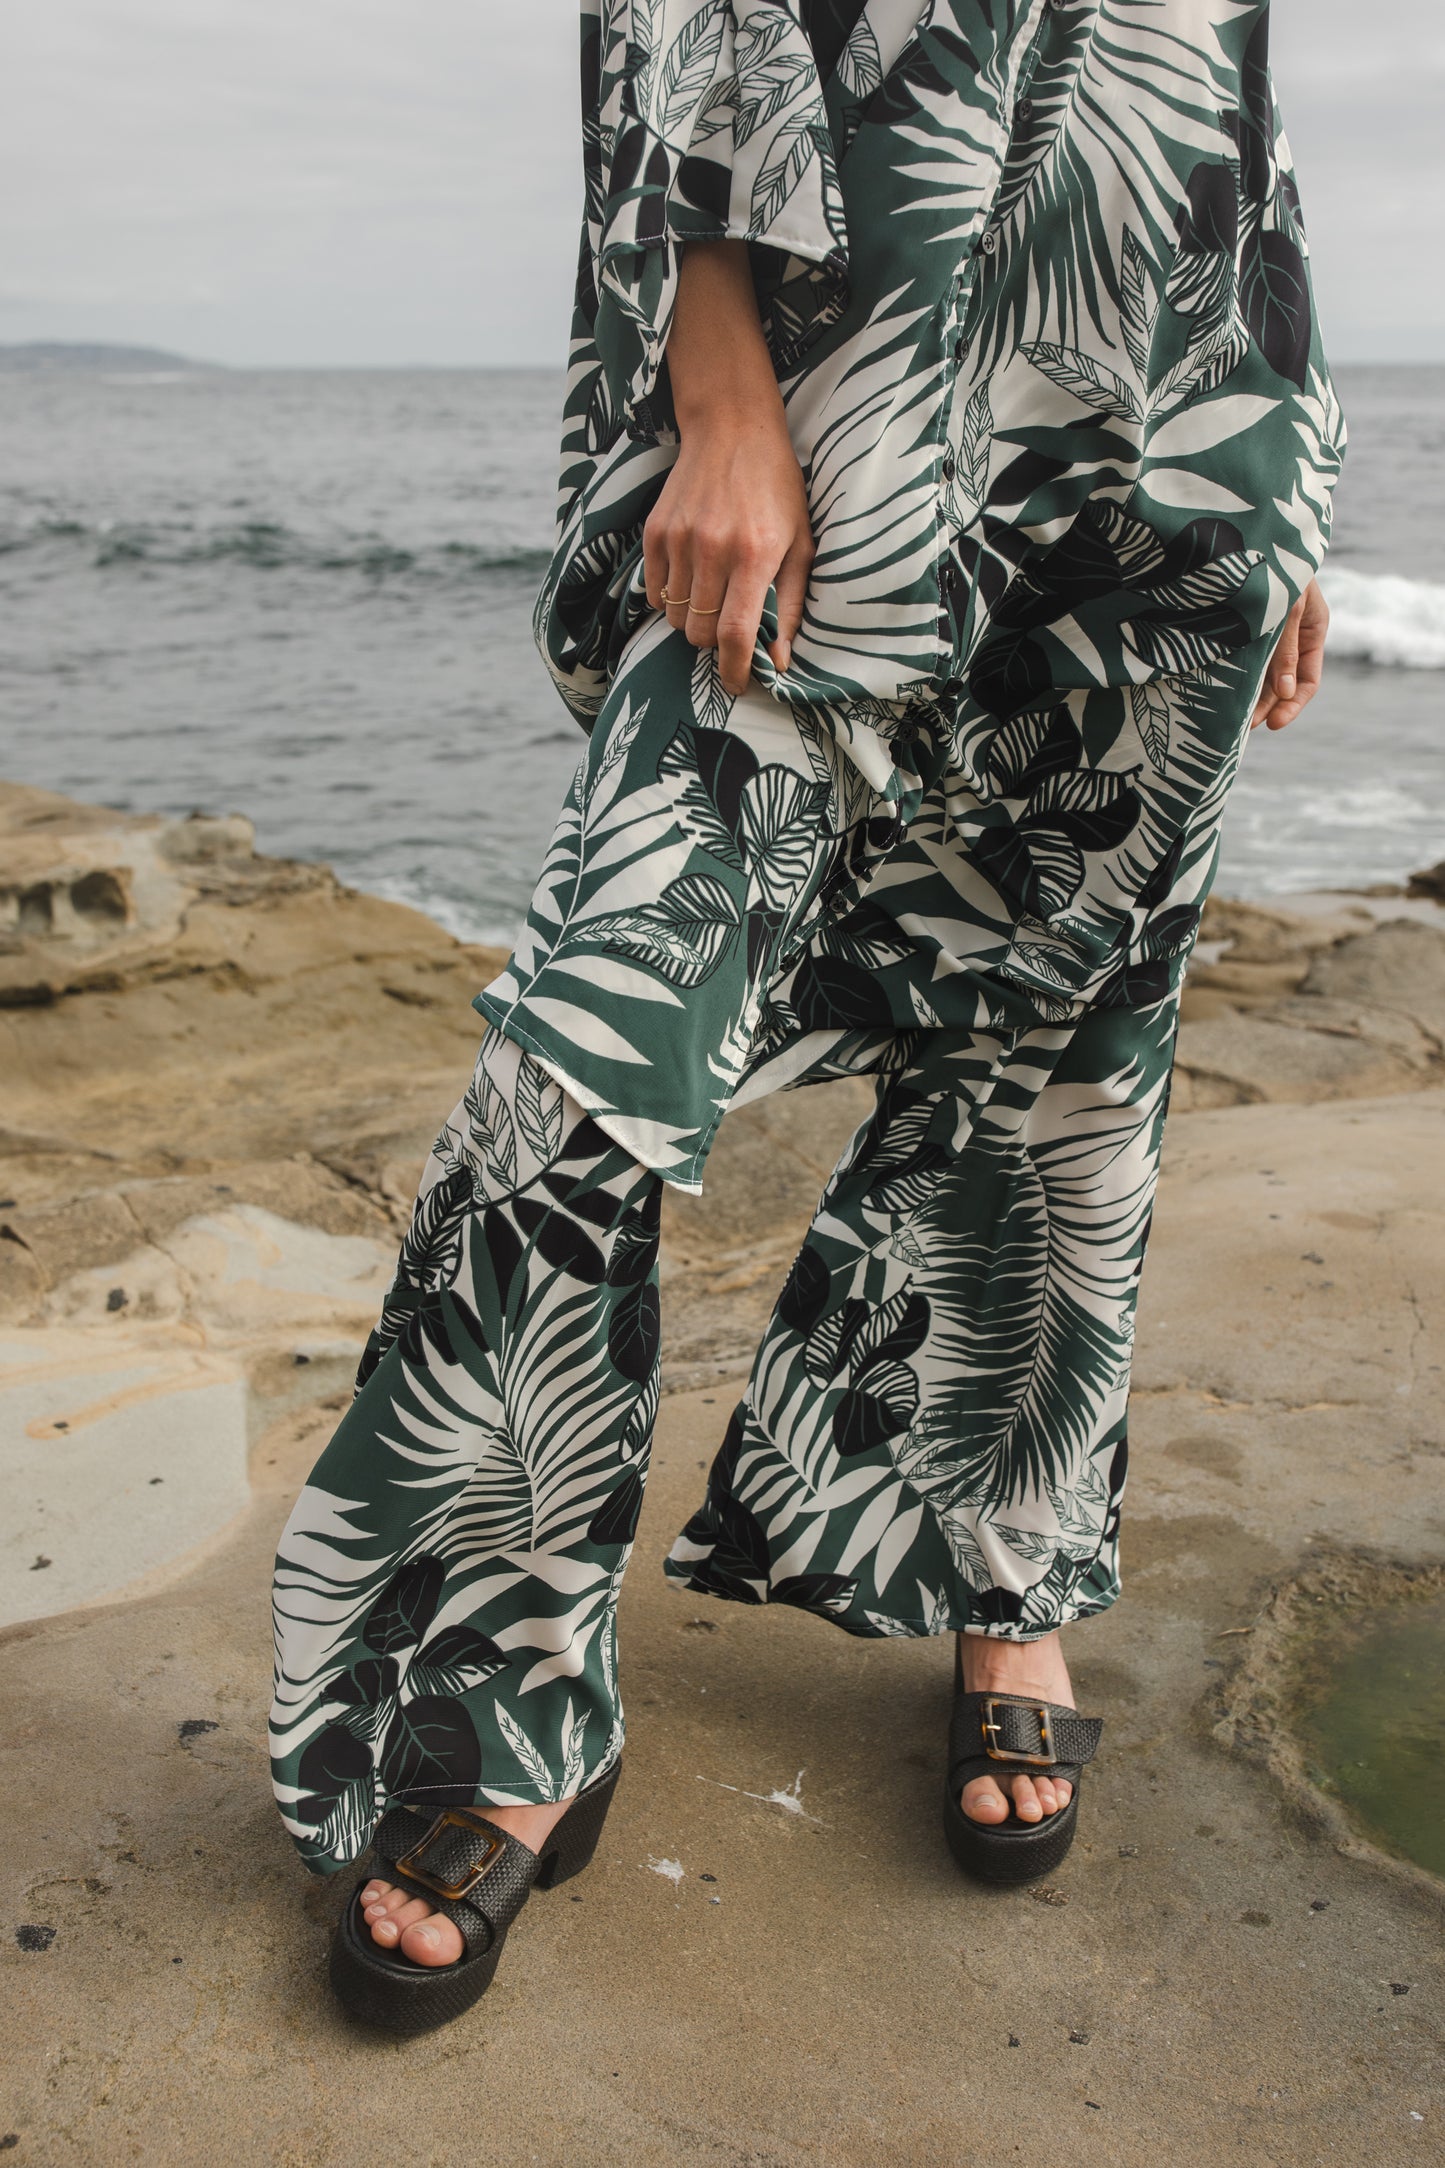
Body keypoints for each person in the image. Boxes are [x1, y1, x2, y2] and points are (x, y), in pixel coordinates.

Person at [270, 0, 1340, 2034]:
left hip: (1167, 416)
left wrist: (1278, 446)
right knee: (582, 1065)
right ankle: (510, 1694)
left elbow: (1234, 61)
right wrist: (721, 379)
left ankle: (1005, 1586)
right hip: (838, 386)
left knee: (1070, 1057)